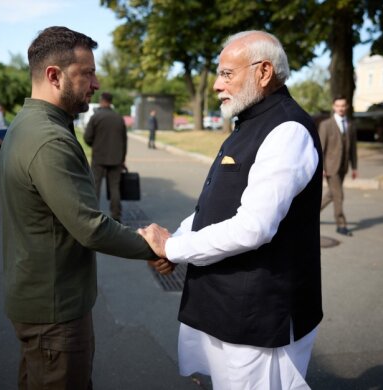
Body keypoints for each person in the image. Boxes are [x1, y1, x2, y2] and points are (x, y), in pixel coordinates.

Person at [139, 30, 323, 389]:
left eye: (227, 74)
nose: (217, 85)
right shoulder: (250, 122)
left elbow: (253, 227)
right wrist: (176, 241)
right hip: (224, 304)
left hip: (256, 314)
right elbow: (217, 205)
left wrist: (173, 247)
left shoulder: (287, 129)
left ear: (264, 72)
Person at [0, 26, 170, 390]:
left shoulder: (31, 124)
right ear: (54, 76)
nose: (95, 83)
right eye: (87, 73)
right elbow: (90, 226)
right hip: (54, 310)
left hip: (39, 298)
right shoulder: (49, 139)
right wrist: (153, 247)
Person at [84, 92, 127, 221]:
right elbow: (124, 140)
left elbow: (87, 137)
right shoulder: (118, 118)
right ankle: (116, 215)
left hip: (99, 157)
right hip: (116, 159)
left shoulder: (96, 117)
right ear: (111, 101)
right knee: (115, 188)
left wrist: (95, 145)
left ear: (102, 101)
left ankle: (93, 216)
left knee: (95, 187)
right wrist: (122, 158)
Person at [318, 96, 358, 236]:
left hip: (344, 166)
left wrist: (354, 167)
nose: (341, 108)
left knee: (331, 194)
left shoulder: (350, 124)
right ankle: (341, 224)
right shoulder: (326, 125)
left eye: (343, 106)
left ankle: (310, 214)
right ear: (333, 107)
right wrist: (321, 167)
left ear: (346, 107)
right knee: (339, 195)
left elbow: (353, 148)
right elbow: (320, 148)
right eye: (338, 106)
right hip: (330, 167)